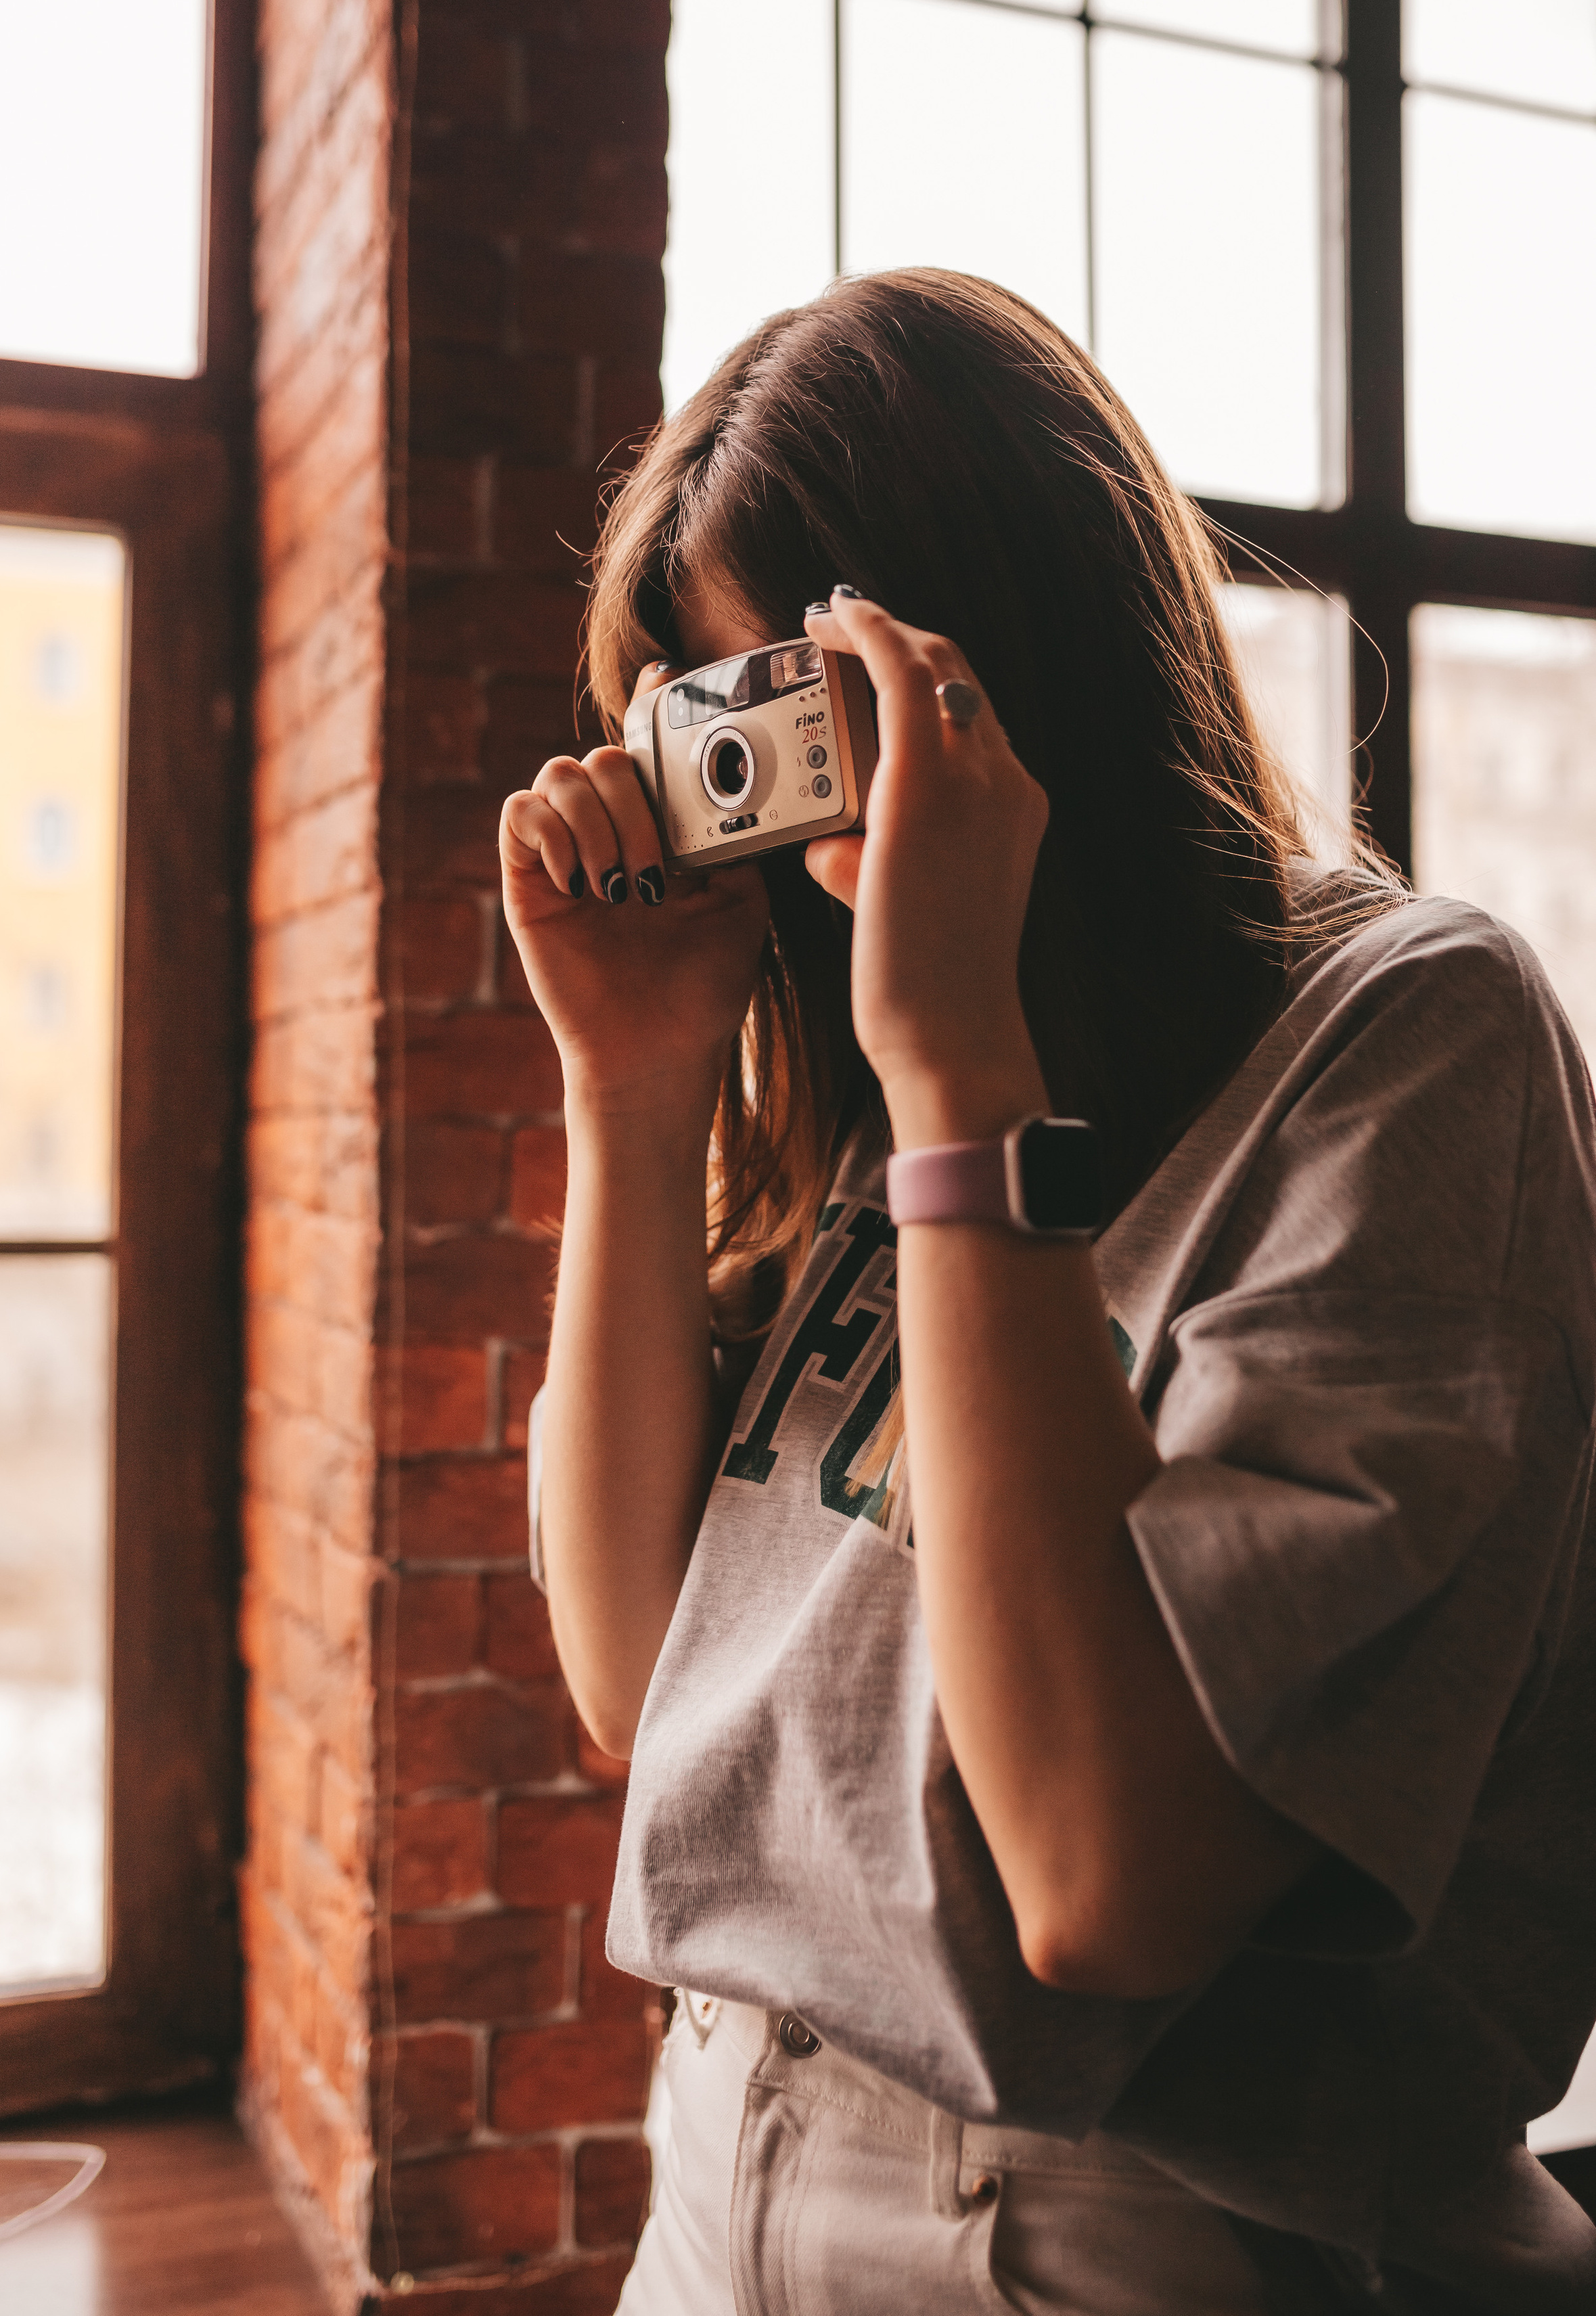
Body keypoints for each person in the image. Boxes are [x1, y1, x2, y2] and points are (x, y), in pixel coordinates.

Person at [498, 271, 1596, 2313]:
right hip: (720, 2168)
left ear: (995, 656)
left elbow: (1106, 1881)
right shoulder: (885, 1060)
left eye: (791, 705)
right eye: (698, 713)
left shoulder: (1410, 1029)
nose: (758, 796)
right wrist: (633, 1094)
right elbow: (642, 1679)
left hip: (1125, 2232)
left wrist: (960, 1073)